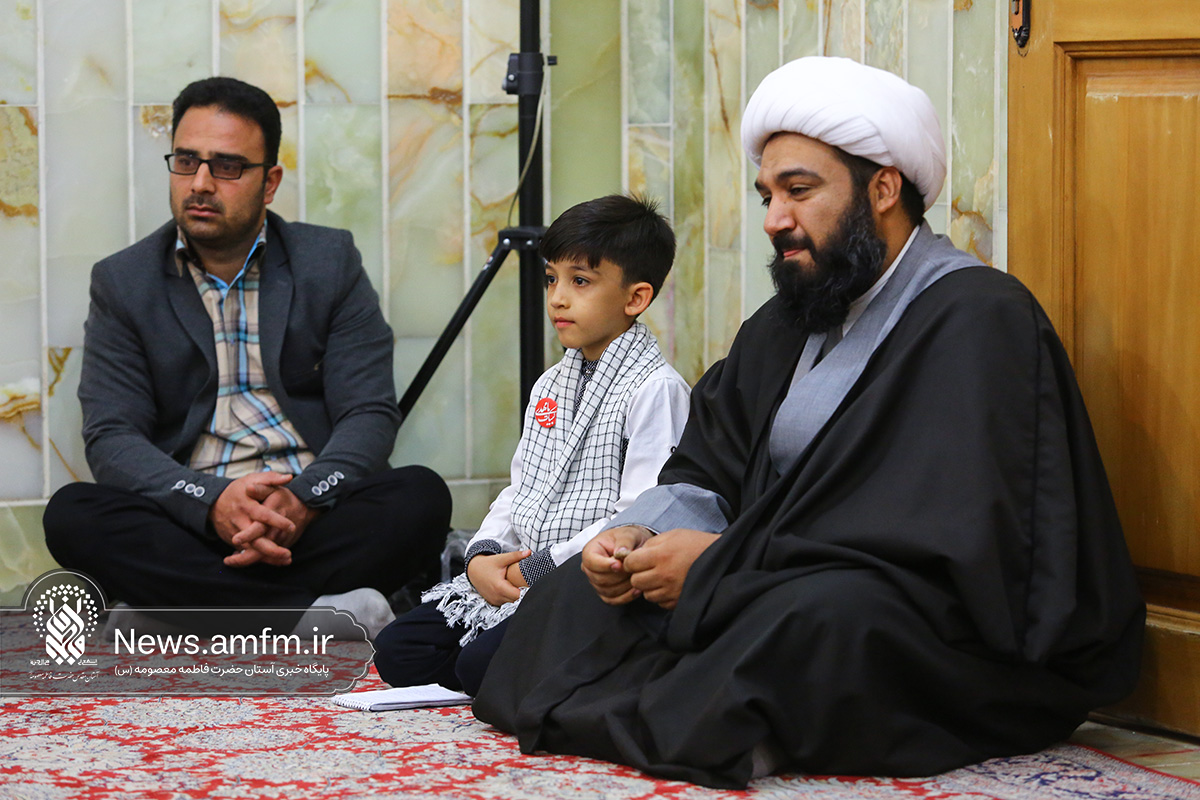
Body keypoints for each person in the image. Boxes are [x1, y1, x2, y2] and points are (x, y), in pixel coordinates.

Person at [472, 57, 1145, 787]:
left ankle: (713, 711)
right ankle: (713, 713)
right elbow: (707, 463)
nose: (774, 220)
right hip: (757, 575)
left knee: (818, 620)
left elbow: (944, 539)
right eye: (767, 195)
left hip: (915, 612)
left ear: (883, 188)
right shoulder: (790, 317)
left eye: (799, 191)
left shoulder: (978, 318)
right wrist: (638, 537)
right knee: (574, 595)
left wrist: (721, 567)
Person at [42, 77, 450, 638]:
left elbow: (370, 412)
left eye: (228, 166)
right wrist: (212, 502)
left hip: (309, 514)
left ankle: (177, 612)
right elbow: (112, 436)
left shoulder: (328, 261)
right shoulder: (124, 281)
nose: (200, 183)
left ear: (270, 181)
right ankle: (311, 614)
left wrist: (301, 499)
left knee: (420, 497)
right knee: (73, 514)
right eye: (187, 161)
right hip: (189, 515)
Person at [373, 195, 690, 694]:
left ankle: (601, 661)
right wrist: (482, 557)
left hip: (583, 580)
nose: (557, 298)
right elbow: (521, 489)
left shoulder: (657, 390)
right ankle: (520, 664)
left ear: (636, 298)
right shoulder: (549, 385)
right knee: (398, 651)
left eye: (580, 281)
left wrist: (539, 568)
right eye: (551, 279)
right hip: (518, 570)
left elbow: (638, 517)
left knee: (481, 666)